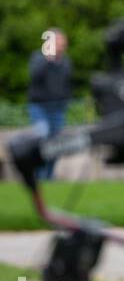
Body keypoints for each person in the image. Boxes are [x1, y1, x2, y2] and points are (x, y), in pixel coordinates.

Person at [26, 29, 73, 181]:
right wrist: (49, 59)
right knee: (43, 138)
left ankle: (48, 177)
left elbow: (66, 84)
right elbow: (35, 75)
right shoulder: (38, 59)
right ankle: (39, 176)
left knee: (56, 145)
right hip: (39, 108)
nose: (62, 45)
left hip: (58, 109)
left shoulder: (65, 62)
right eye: (59, 42)